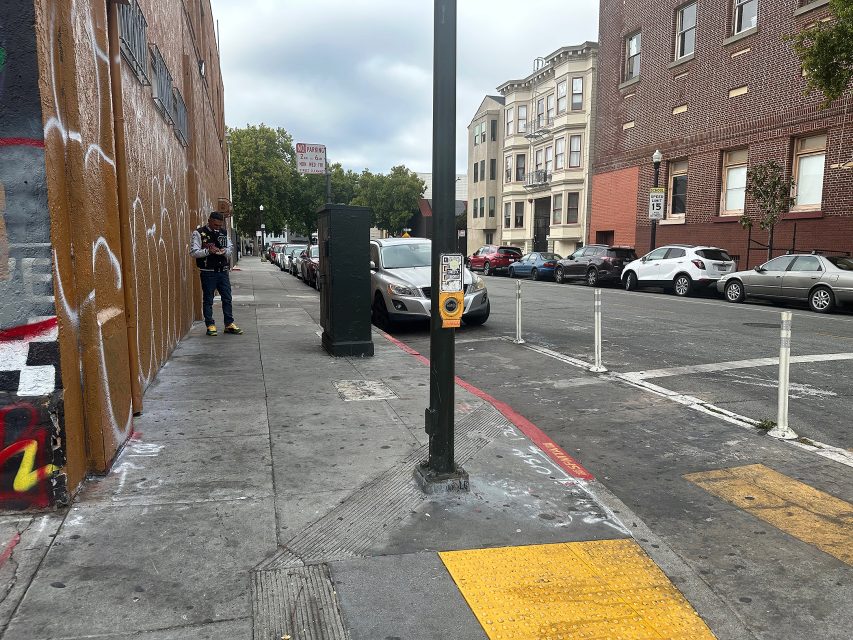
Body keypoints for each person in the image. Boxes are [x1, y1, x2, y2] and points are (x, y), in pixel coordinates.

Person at [190, 212, 242, 336]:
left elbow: (230, 249)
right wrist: (208, 251)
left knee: (227, 298)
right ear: (209, 221)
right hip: (208, 272)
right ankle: (210, 325)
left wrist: (225, 251)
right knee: (208, 299)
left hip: (223, 271)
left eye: (219, 225)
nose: (217, 228)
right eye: (215, 225)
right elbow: (193, 253)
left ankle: (229, 324)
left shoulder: (223, 232)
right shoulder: (199, 233)